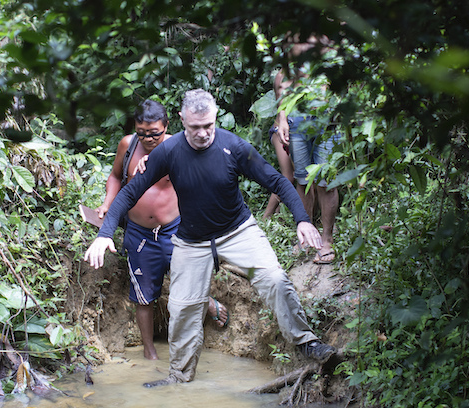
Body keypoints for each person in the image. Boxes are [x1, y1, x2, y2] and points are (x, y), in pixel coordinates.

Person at [85, 89, 336, 387]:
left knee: (274, 279)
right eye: (195, 128)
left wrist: (303, 220)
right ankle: (178, 379)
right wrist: (104, 234)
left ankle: (306, 342)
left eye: (209, 126)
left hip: (238, 233)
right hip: (192, 242)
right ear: (181, 121)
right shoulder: (168, 151)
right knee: (181, 310)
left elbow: (277, 180)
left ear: (215, 119)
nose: (203, 134)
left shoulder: (234, 146)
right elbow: (129, 191)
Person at [95, 99, 228, 361]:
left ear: (166, 126)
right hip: (139, 232)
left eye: (154, 133)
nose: (148, 139)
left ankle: (208, 302)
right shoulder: (128, 145)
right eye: (142, 133)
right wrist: (107, 202)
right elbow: (114, 175)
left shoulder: (180, 146)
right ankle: (150, 352)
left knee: (189, 280)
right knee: (143, 296)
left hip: (175, 228)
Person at [273, 34, 340, 264]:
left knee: (326, 182)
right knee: (303, 181)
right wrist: (282, 119)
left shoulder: (324, 36)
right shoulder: (292, 34)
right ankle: (305, 234)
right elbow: (284, 81)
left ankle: (327, 239)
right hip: (297, 122)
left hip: (326, 122)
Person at [261, 124, 295, 219]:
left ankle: (279, 213)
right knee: (288, 177)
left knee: (304, 178)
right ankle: (266, 217)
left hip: (298, 133)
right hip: (280, 130)